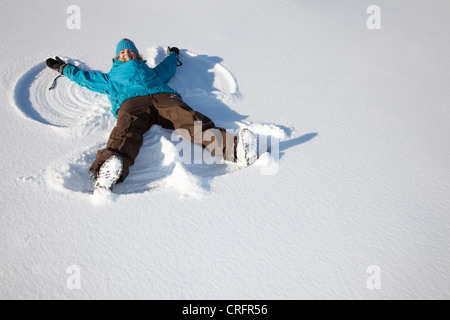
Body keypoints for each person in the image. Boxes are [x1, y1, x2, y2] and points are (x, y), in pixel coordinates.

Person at [46, 38, 257, 191]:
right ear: (117, 57)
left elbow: (168, 67)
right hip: (131, 103)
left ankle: (235, 149)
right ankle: (108, 168)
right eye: (122, 53)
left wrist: (173, 54)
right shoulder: (111, 77)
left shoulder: (152, 71)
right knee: (126, 130)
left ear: (137, 55)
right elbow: (85, 78)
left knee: (191, 122)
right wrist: (63, 68)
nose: (126, 54)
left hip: (164, 98)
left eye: (130, 52)